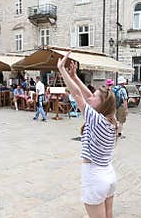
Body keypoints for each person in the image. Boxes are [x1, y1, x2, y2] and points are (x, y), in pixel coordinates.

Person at [57, 52, 117, 218]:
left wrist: (61, 69)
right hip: (109, 175)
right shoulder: (112, 119)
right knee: (108, 215)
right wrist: (75, 77)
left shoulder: (97, 120)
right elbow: (88, 95)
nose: (90, 97)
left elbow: (77, 95)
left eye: (95, 97)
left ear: (102, 104)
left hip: (95, 177)